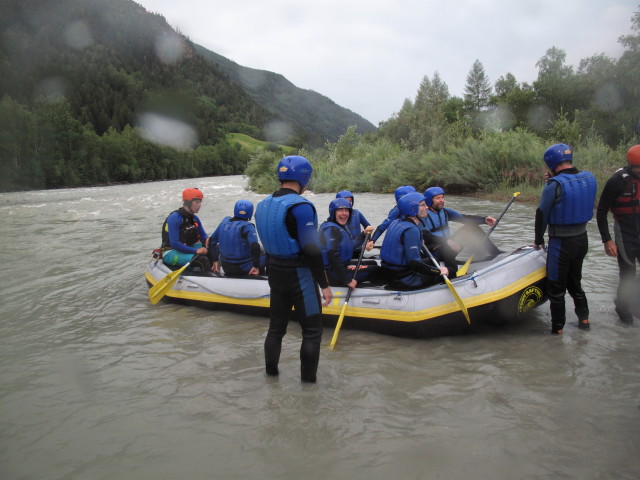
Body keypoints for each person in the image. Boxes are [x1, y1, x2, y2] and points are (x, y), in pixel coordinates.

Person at [255, 155, 332, 383]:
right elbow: (311, 249)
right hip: (299, 276)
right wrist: (324, 284)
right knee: (312, 332)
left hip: (275, 273)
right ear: (304, 177)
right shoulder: (301, 207)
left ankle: (271, 376)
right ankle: (308, 388)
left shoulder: (263, 204)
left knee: (276, 329)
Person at [534, 143, 597, 334]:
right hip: (582, 240)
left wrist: (538, 240)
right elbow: (573, 189)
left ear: (551, 163)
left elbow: (542, 213)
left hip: (561, 244)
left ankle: (557, 330)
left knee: (556, 288)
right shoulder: (590, 177)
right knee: (575, 283)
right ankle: (584, 321)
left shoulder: (554, 185)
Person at [596, 144, 640, 325]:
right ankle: (623, 311)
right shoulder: (616, 181)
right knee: (628, 275)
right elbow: (601, 211)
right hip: (624, 235)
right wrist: (607, 240)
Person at [422, 186, 497, 278]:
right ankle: (453, 275)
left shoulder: (445, 212)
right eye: (438, 198)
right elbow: (425, 236)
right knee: (447, 248)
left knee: (471, 227)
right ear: (429, 200)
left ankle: (495, 253)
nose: (441, 200)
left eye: (442, 197)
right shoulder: (423, 215)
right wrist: (446, 241)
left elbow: (464, 218)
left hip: (450, 244)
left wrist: (484, 220)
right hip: (435, 250)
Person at [380, 191, 449, 290]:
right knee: (438, 276)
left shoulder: (396, 222)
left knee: (433, 261)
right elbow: (415, 264)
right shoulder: (411, 230)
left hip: (390, 274)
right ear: (412, 209)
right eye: (422, 205)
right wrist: (438, 272)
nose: (426, 207)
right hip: (403, 279)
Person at [319, 198, 377, 287]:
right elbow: (332, 255)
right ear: (333, 212)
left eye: (346, 210)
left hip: (340, 267)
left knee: (373, 263)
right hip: (333, 274)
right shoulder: (331, 229)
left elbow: (349, 245)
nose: (344, 213)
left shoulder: (339, 226)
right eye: (340, 210)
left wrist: (363, 234)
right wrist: (347, 279)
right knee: (376, 270)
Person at [160, 187, 214, 271]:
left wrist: (207, 239)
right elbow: (175, 244)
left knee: (213, 248)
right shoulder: (174, 218)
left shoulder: (194, 218)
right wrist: (196, 251)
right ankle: (210, 280)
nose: (199, 205)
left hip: (187, 247)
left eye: (200, 202)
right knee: (202, 260)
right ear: (188, 203)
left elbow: (203, 236)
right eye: (197, 202)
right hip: (171, 251)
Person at [209, 199, 265, 278]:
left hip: (226, 266)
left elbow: (211, 241)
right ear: (250, 212)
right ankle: (261, 277)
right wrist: (256, 266)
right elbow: (255, 247)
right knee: (269, 257)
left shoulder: (224, 221)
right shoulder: (248, 227)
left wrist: (215, 260)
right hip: (242, 267)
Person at [335, 190, 371, 257]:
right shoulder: (335, 217)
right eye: (346, 201)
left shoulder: (357, 213)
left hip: (358, 250)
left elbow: (368, 227)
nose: (348, 203)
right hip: (344, 252)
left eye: (350, 201)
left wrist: (369, 241)